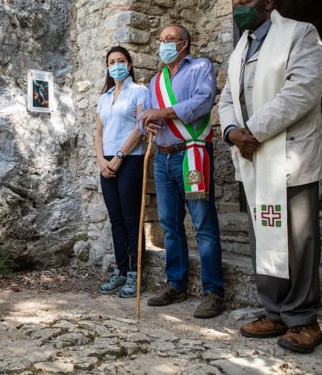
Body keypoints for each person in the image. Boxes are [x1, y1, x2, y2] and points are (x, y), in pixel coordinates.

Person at [218, 0, 322, 353]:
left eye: (246, 1)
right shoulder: (240, 50)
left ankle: (303, 320)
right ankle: (274, 311)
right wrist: (232, 131)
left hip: (289, 153)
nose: (238, 8)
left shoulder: (300, 34)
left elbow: (302, 89)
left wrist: (253, 131)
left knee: (298, 240)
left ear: (268, 2)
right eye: (235, 3)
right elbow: (227, 98)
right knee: (263, 235)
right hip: (252, 155)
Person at [140, 24, 225, 319]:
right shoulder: (156, 80)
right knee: (169, 224)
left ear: (184, 43)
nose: (163, 44)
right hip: (162, 158)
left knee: (203, 224)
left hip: (191, 153)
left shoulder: (200, 67)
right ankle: (175, 285)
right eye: (160, 40)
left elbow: (202, 102)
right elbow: (145, 114)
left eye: (170, 39)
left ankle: (213, 292)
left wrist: (162, 113)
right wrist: (146, 122)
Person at [95, 46, 149, 298]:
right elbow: (98, 133)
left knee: (131, 219)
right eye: (111, 62)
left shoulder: (139, 91)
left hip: (130, 160)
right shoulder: (104, 97)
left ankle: (136, 275)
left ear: (129, 65)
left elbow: (140, 129)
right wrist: (101, 161)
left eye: (120, 61)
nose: (115, 65)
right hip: (106, 163)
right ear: (107, 67)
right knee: (116, 220)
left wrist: (118, 157)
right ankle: (121, 271)